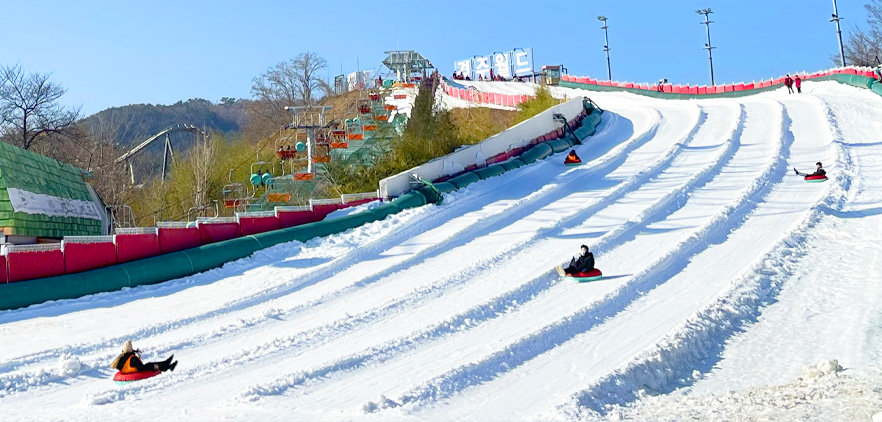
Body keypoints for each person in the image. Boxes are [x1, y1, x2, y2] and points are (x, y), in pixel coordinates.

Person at [111, 340, 177, 374]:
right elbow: (141, 368)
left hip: (127, 371)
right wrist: (153, 367)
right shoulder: (133, 358)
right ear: (130, 349)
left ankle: (166, 363)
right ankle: (168, 366)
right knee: (150, 365)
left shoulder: (122, 357)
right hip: (135, 371)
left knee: (150, 364)